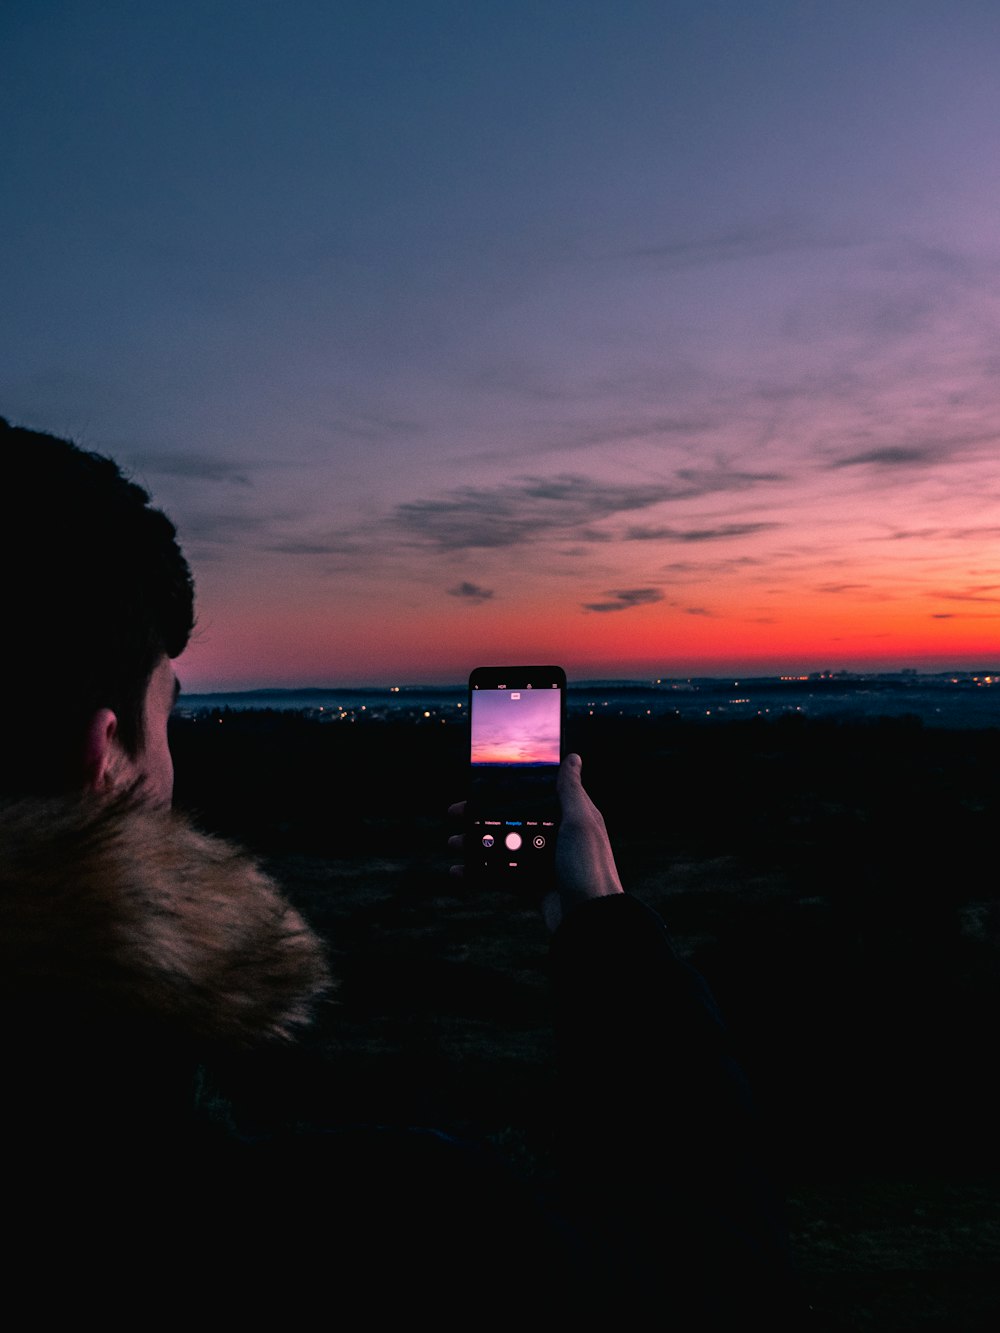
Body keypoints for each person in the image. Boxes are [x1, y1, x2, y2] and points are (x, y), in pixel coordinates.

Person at [0, 417, 802, 1322]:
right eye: (170, 717)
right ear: (103, 759)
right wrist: (606, 924)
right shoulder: (379, 1238)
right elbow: (719, 1285)